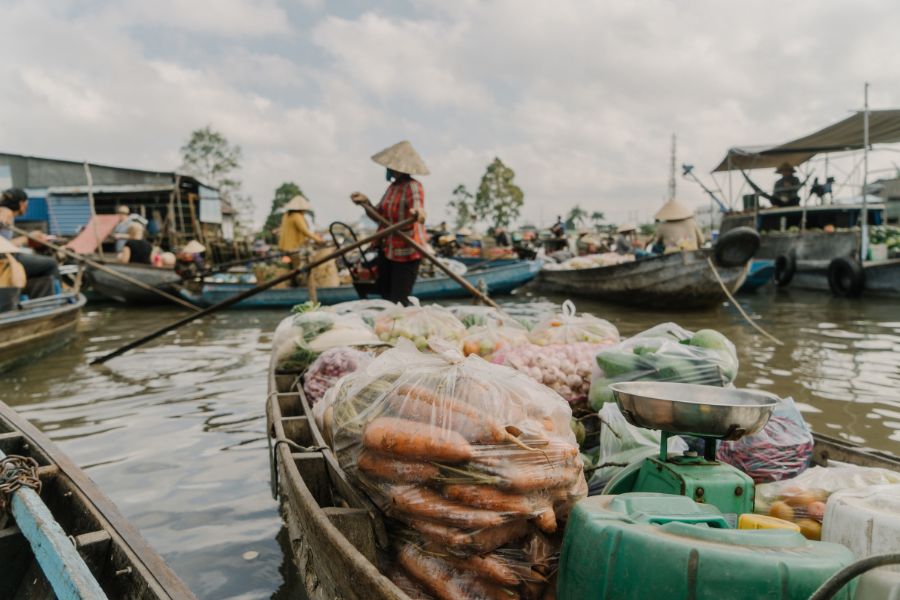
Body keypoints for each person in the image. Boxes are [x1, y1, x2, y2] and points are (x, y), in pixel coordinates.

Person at [351, 140, 428, 306]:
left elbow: (418, 208)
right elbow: (378, 216)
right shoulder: (392, 188)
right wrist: (366, 203)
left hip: (407, 252)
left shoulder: (413, 186)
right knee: (385, 296)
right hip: (388, 250)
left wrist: (417, 213)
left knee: (399, 300)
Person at [0, 188, 60, 298]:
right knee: (50, 264)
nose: (26, 207)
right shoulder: (6, 213)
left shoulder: (5, 213)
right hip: (5, 258)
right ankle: (51, 301)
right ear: (21, 203)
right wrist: (27, 238)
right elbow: (5, 246)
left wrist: (29, 237)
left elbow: (5, 243)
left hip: (7, 255)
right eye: (26, 204)